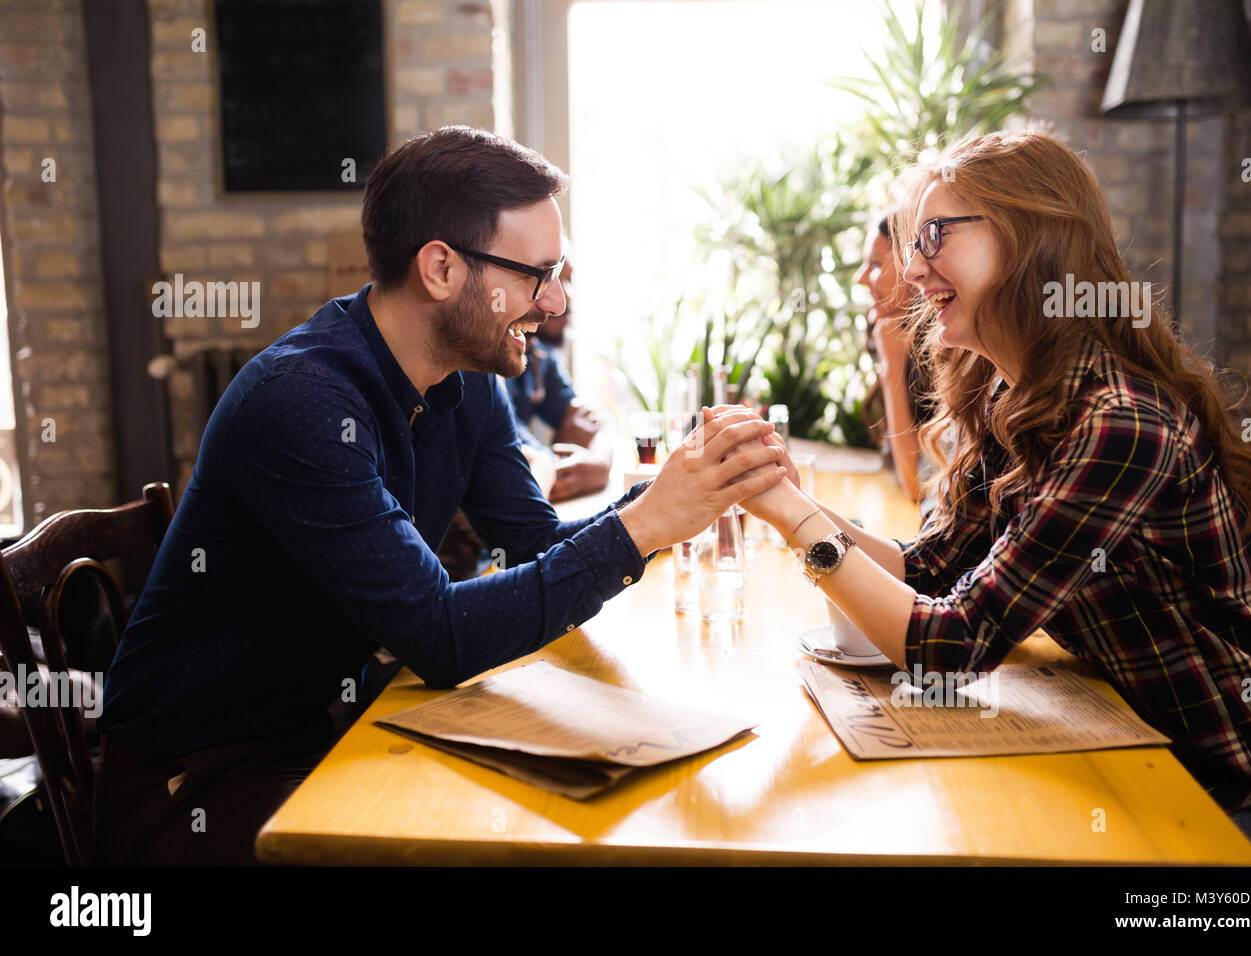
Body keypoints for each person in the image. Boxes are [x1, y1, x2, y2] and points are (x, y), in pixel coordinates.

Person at [95, 126, 787, 865]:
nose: (556, 302)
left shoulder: (471, 384)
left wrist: (680, 491)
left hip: (328, 725)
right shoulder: (299, 402)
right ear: (441, 269)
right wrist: (648, 522)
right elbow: (440, 635)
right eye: (538, 273)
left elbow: (538, 546)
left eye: (563, 271)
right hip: (194, 780)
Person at [739, 129, 1251, 865]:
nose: (911, 269)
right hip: (1148, 758)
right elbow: (928, 568)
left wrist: (794, 520)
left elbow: (951, 647)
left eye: (934, 236)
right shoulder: (1017, 394)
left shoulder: (1119, 426)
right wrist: (782, 490)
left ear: (1031, 238)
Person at [504, 255, 614, 503]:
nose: (566, 298)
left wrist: (600, 463)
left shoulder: (539, 354)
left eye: (569, 280)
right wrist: (561, 460)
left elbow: (589, 422)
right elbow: (516, 469)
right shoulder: (489, 360)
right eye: (548, 278)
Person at [856, 211, 934, 509]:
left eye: (875, 264)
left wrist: (891, 366)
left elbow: (918, 486)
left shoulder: (950, 356)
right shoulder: (903, 341)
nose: (861, 278)